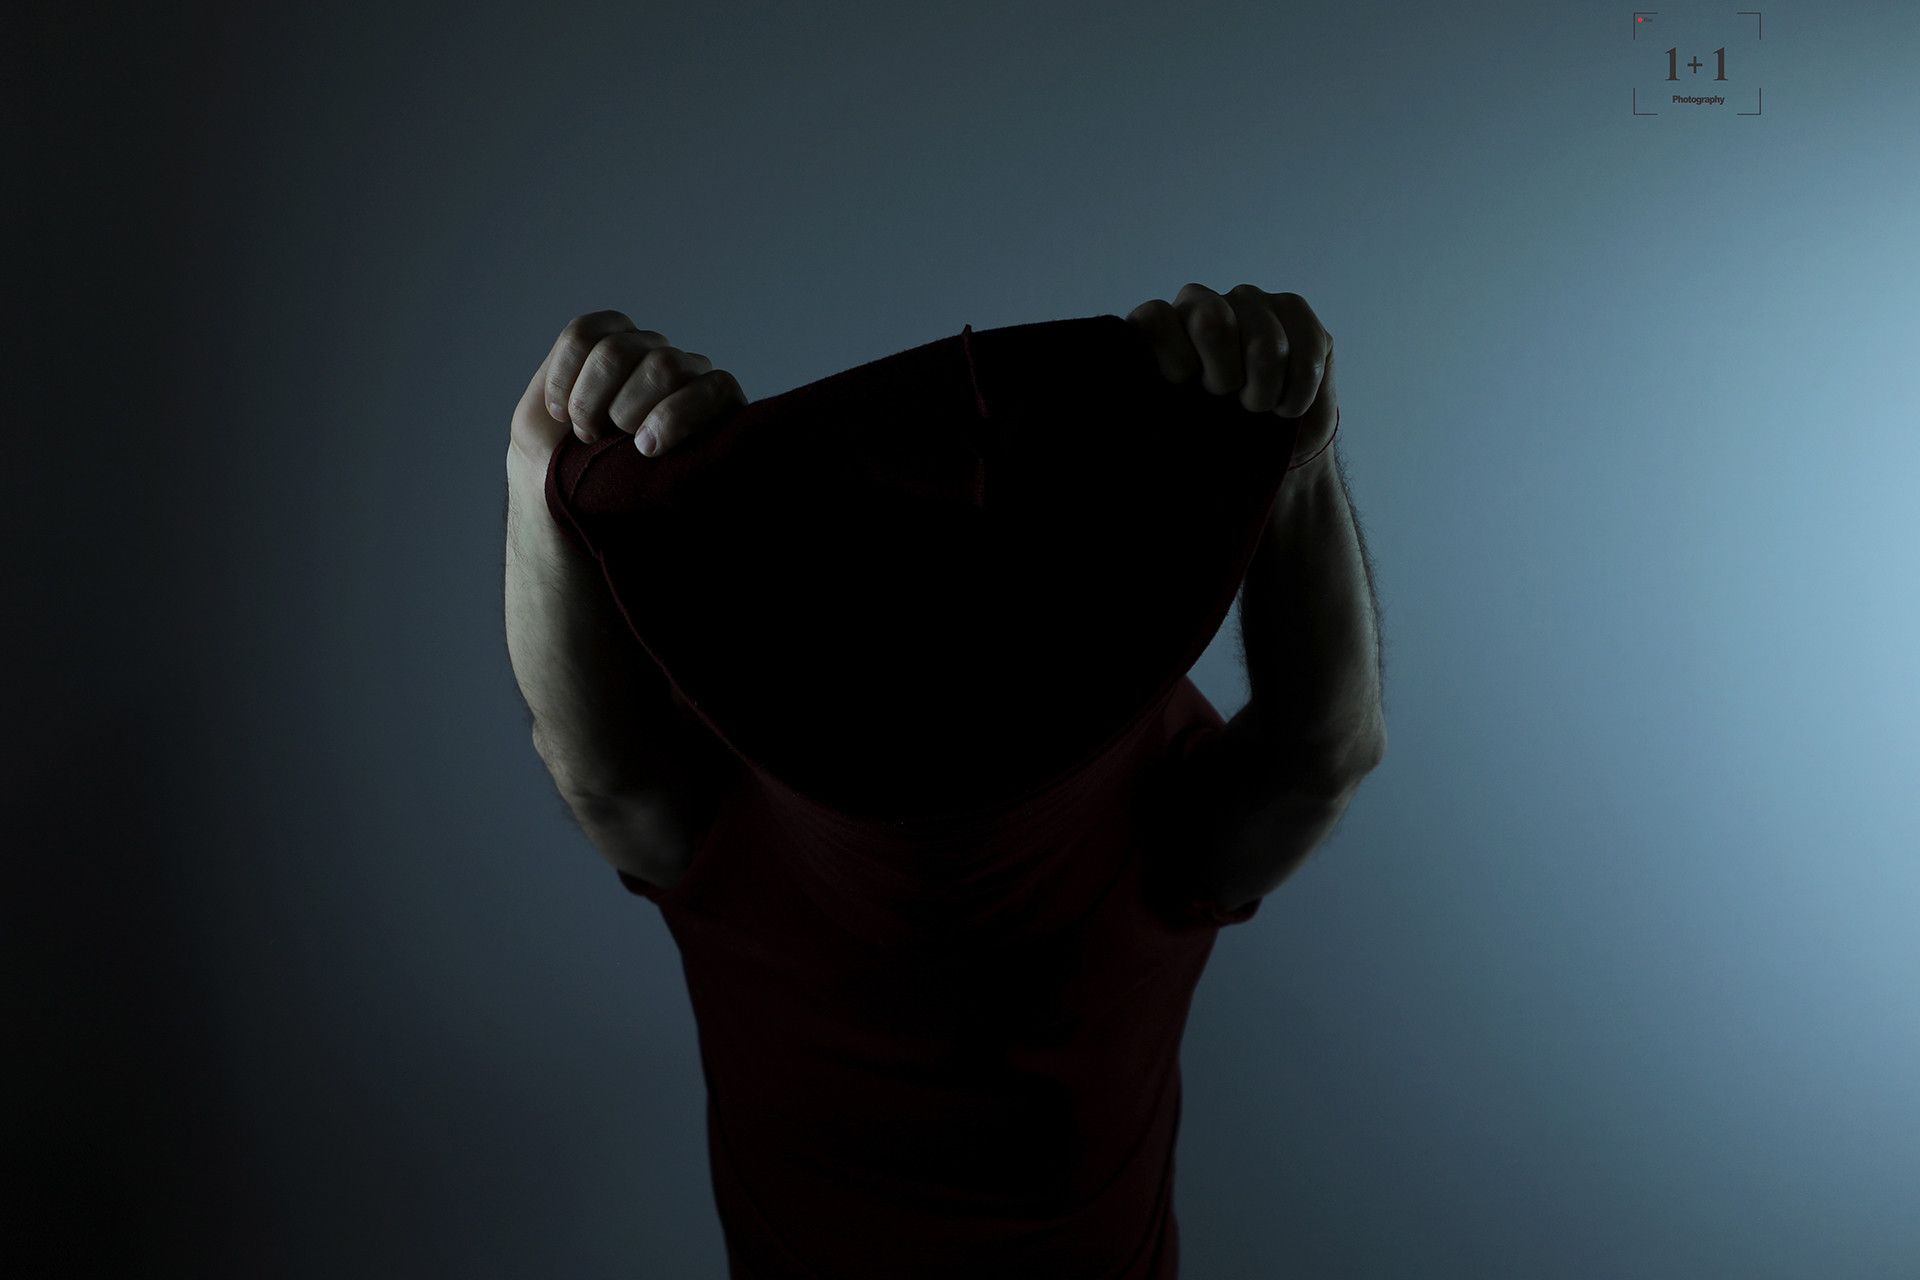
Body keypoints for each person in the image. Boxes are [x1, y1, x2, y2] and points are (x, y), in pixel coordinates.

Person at [501, 283, 1386, 1279]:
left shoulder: (735, 800)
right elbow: (1323, 758)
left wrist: (542, 463)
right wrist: (1294, 452)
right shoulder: (1148, 784)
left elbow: (600, 779)